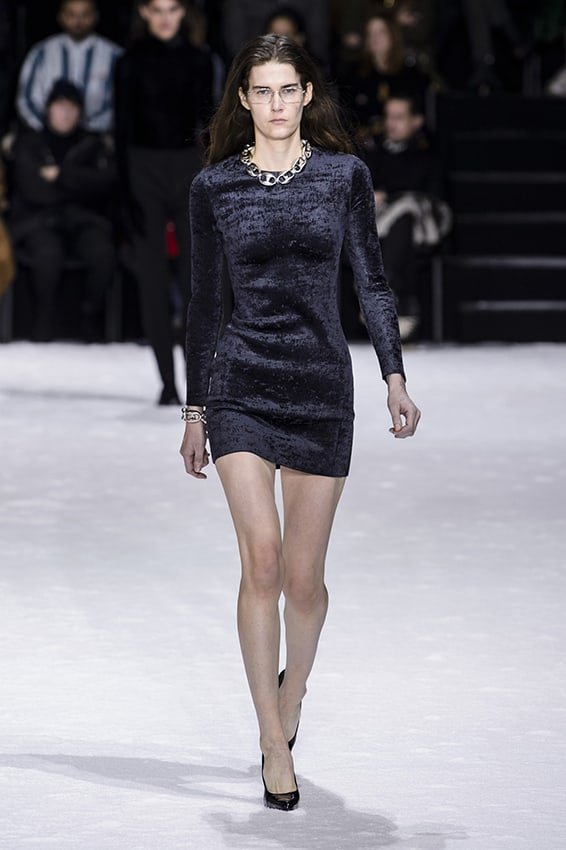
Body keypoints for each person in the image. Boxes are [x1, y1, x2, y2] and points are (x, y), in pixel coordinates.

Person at [179, 34, 420, 810]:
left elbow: (371, 282)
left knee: (304, 583)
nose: (277, 104)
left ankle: (295, 691)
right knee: (262, 562)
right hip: (240, 385)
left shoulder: (344, 176)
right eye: (263, 91)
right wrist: (196, 410)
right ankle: (271, 739)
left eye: (289, 89)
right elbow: (205, 304)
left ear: (308, 95)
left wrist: (393, 376)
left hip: (320, 386)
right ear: (243, 100)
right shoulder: (215, 186)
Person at [114, 0, 214, 405]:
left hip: (188, 166)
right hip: (143, 168)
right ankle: (167, 383)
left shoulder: (200, 60)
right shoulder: (129, 63)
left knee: (195, 281)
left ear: (183, 12)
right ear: (143, 12)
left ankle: (196, 384)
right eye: (157, 9)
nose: (165, 18)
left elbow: (209, 126)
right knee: (152, 280)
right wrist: (124, 192)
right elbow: (121, 128)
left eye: (172, 8)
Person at [10, 79, 116, 341]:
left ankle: (90, 314)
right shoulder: (30, 143)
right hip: (40, 221)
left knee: (102, 252)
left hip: (83, 220)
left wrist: (61, 175)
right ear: (48, 109)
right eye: (60, 106)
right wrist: (78, 183)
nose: (66, 113)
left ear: (80, 112)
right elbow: (33, 189)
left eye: (72, 107)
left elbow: (104, 184)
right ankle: (44, 319)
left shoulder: (92, 144)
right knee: (47, 254)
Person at [365, 94, 450, 338]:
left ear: (416, 121)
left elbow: (433, 199)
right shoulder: (373, 153)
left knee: (406, 212)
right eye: (388, 116)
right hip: (378, 226)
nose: (390, 123)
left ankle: (383, 288)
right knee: (396, 223)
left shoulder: (428, 155)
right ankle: (396, 296)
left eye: (399, 117)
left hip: (421, 228)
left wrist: (391, 197)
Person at [16, 0, 122, 134]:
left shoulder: (113, 55)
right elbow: (26, 99)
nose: (78, 21)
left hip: (98, 137)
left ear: (96, 17)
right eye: (71, 14)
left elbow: (121, 103)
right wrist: (45, 130)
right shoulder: (41, 53)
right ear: (61, 17)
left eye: (85, 15)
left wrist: (90, 131)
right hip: (45, 137)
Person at [338, 11, 431, 141]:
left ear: (393, 35)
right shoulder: (354, 75)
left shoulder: (411, 75)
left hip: (404, 142)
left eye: (381, 32)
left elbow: (420, 118)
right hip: (364, 143)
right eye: (370, 33)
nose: (374, 38)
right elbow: (345, 115)